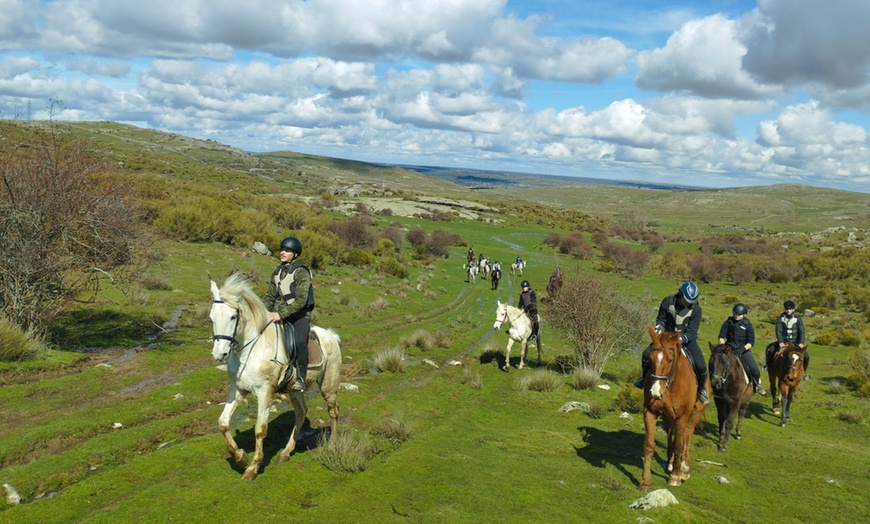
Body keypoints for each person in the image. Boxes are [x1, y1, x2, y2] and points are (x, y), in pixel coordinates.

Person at [634, 281, 709, 404]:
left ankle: (702, 389)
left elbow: (692, 332)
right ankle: (643, 379)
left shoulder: (696, 310)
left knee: (701, 365)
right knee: (646, 354)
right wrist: (659, 328)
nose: (689, 303)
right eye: (687, 300)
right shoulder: (667, 302)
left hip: (685, 340)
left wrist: (679, 340)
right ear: (680, 295)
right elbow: (661, 319)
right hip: (666, 339)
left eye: (692, 301)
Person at [264, 236, 315, 391]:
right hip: (279, 314)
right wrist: (263, 313)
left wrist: (281, 314)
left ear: (295, 254)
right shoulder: (277, 273)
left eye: (287, 250)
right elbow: (270, 297)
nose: (283, 252)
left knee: (300, 342)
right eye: (282, 249)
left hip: (299, 316)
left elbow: (301, 300)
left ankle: (300, 378)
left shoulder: (301, 272)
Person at [716, 303, 766, 395]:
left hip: (743, 350)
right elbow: (721, 336)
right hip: (729, 348)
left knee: (754, 369)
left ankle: (757, 386)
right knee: (717, 364)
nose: (736, 316)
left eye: (739, 314)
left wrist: (741, 350)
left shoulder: (748, 325)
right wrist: (723, 346)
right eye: (735, 313)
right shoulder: (728, 323)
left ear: (744, 315)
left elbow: (751, 342)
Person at [768, 299, 809, 375]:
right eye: (787, 309)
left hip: (795, 343)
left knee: (806, 356)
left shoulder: (798, 319)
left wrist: (801, 342)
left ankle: (804, 372)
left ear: (793, 309)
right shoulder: (780, 318)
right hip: (784, 342)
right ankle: (769, 366)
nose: (788, 310)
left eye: (790, 309)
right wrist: (780, 342)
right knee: (771, 351)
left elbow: (802, 331)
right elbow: (778, 330)